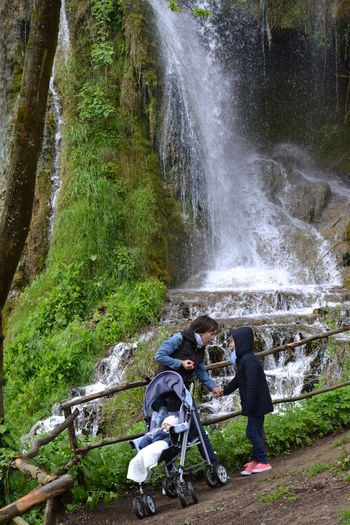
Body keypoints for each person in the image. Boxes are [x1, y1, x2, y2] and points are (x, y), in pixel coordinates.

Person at [155, 314, 222, 465]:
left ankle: (213, 465)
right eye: (212, 334)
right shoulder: (179, 338)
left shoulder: (200, 348)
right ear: (201, 331)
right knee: (169, 431)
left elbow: (201, 370)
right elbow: (159, 356)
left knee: (196, 429)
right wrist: (180, 363)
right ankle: (174, 471)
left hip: (182, 393)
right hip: (166, 392)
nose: (213, 339)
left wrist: (212, 387)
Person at [222, 326, 273, 476]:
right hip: (256, 403)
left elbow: (252, 384)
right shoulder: (244, 360)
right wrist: (224, 391)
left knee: (251, 432)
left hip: (257, 403)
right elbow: (238, 380)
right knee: (255, 431)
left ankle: (263, 461)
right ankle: (255, 460)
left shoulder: (249, 360)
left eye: (233, 343)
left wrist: (249, 405)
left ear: (241, 343)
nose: (231, 346)